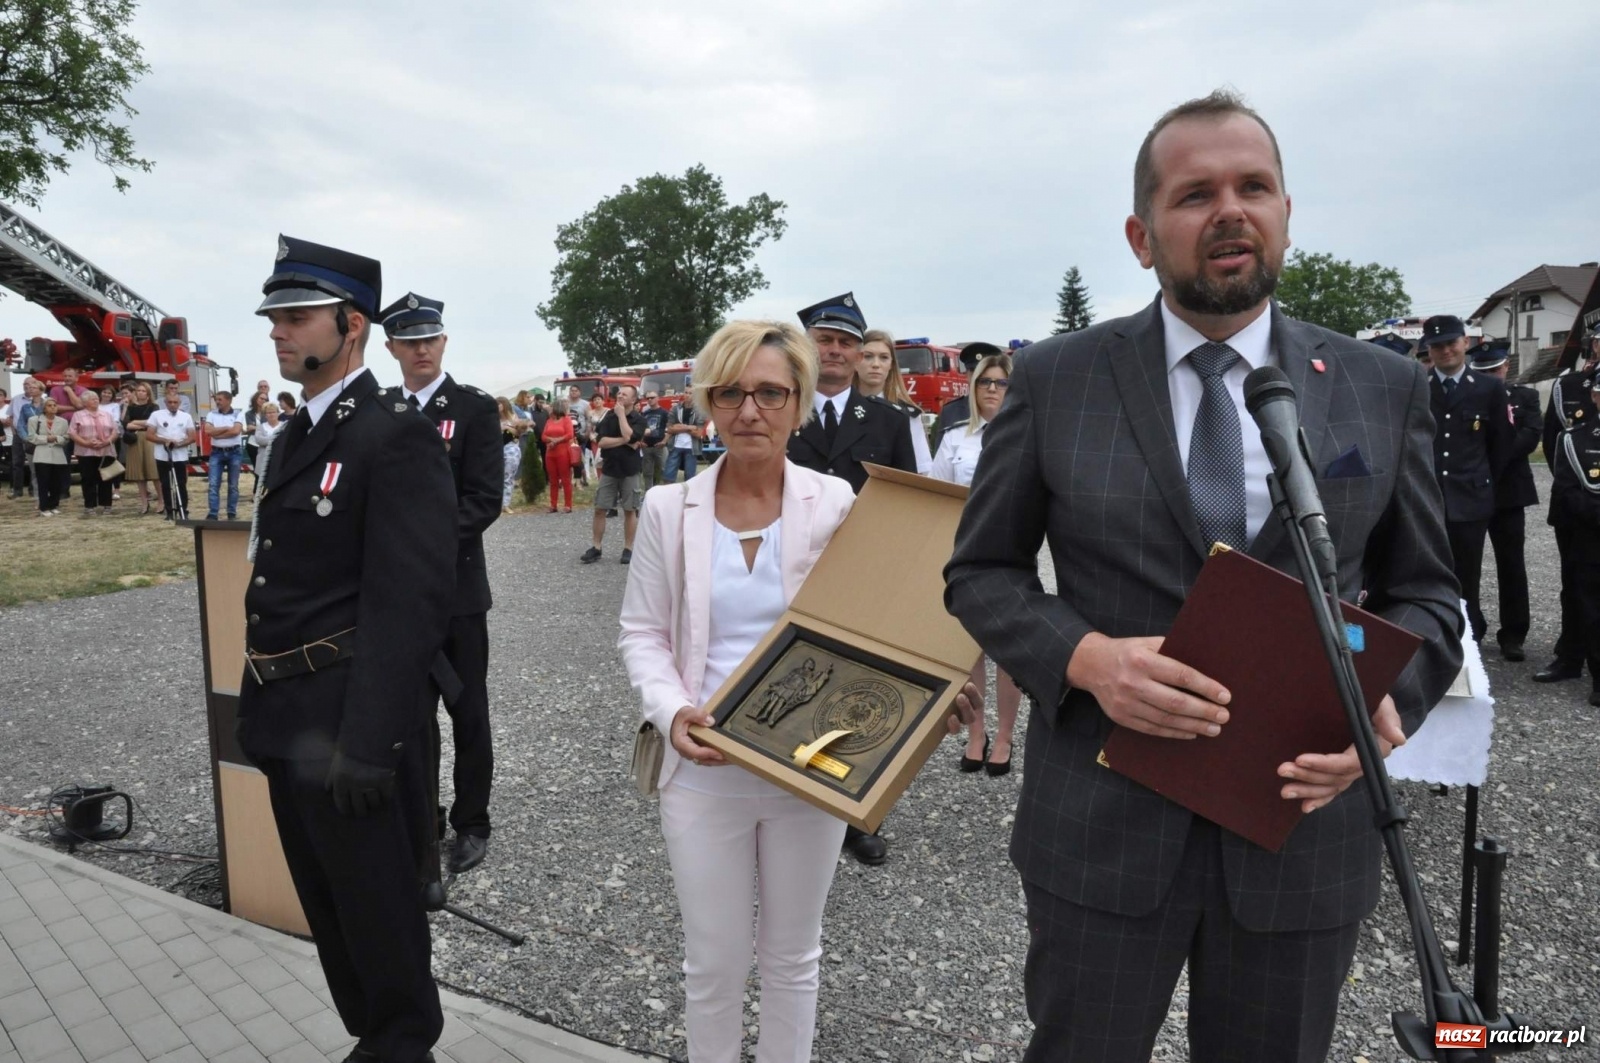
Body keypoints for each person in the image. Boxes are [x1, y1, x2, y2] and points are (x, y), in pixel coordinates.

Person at [944, 90, 1462, 1063]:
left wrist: (1384, 702)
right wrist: (1087, 659)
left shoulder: (1381, 386)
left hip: (1299, 830)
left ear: (1285, 214)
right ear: (1141, 237)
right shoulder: (1058, 379)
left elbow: (1428, 592)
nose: (1229, 210)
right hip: (1101, 829)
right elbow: (980, 572)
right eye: (1194, 195)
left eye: (1252, 187)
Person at [619, 319, 978, 1063]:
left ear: (800, 401)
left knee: (793, 957)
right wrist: (671, 709)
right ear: (709, 402)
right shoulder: (666, 508)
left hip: (810, 768)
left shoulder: (836, 502)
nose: (750, 410)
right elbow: (643, 632)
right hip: (704, 766)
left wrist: (928, 696)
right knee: (712, 963)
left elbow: (878, 627)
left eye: (770, 393)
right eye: (731, 393)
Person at [240, 234, 456, 1063]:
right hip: (288, 715)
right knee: (329, 905)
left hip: (346, 719)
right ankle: (376, 1038)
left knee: (377, 909)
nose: (278, 330)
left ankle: (401, 1044)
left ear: (351, 325)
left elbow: (410, 603)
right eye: (275, 317)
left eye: (297, 316)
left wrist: (371, 742)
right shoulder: (295, 435)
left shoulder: (392, 434)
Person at [786, 292, 918, 867]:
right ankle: (787, 794)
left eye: (846, 343)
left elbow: (907, 505)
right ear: (808, 347)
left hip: (863, 579)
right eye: (826, 340)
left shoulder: (889, 422)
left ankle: (856, 815)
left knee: (859, 695)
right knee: (791, 682)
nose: (836, 351)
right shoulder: (782, 410)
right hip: (789, 572)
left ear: (860, 353)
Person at [380, 290, 503, 874]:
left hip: (456, 590)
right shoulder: (380, 410)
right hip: (394, 596)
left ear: (444, 342)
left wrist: (413, 545)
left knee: (467, 710)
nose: (421, 349)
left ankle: (471, 822)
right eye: (409, 342)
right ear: (391, 348)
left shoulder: (473, 408)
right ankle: (421, 817)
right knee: (409, 715)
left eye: (429, 339)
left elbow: (483, 500)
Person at [930, 352, 1022, 776]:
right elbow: (937, 495)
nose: (991, 389)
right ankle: (977, 732)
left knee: (1008, 650)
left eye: (1001, 383)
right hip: (962, 551)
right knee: (969, 648)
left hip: (1010, 551)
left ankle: (1005, 736)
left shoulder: (1027, 435)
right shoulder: (955, 438)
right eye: (984, 381)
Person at [1422, 313, 1513, 643]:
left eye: (1451, 343)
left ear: (1465, 342)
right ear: (1428, 350)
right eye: (1437, 346)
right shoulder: (1419, 387)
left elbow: (1500, 445)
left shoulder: (1489, 388)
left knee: (1467, 576)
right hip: (1428, 499)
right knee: (1428, 573)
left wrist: (1480, 481)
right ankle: (1433, 636)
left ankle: (1468, 639)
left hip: (1470, 499)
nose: (1445, 351)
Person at [1536, 329, 1600, 685]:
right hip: (1579, 506)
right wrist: (1580, 493)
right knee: (1575, 585)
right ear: (1594, 344)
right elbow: (1553, 441)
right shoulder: (1572, 385)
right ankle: (1571, 657)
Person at [1470, 343, 1541, 662]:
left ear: (1506, 368)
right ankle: (1471, 628)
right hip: (1472, 490)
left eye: (1494, 370)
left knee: (1512, 566)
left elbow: (1530, 436)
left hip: (1510, 492)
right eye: (1483, 372)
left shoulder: (1525, 397)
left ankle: (1513, 634)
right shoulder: (1468, 396)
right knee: (1467, 566)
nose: (1490, 377)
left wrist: (1492, 454)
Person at [581, 384, 647, 565]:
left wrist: (621, 417)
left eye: (624, 394)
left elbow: (632, 436)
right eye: (619, 393)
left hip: (630, 470)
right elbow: (602, 441)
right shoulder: (608, 416)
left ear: (633, 399)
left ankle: (628, 548)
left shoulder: (639, 419)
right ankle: (596, 547)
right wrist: (625, 440)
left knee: (630, 510)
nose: (620, 396)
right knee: (600, 508)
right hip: (609, 469)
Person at [857, 328, 932, 474]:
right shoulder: (839, 407)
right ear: (856, 360)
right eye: (868, 356)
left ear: (891, 364)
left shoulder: (907, 415)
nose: (876, 364)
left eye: (884, 357)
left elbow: (922, 472)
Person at [148, 387, 196, 520]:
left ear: (179, 403)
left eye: (175, 402)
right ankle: (169, 511)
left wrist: (179, 444)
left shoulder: (186, 416)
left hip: (180, 455)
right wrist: (165, 441)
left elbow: (192, 437)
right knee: (165, 484)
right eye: (170, 402)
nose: (173, 405)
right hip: (162, 455)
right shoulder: (156, 415)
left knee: (181, 483)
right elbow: (149, 435)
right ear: (165, 402)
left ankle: (183, 510)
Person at [68, 390, 118, 517]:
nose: (96, 400)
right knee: (88, 479)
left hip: (106, 451)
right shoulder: (78, 415)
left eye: (96, 398)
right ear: (85, 402)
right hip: (86, 452)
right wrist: (86, 443)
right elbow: (72, 432)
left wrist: (106, 441)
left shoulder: (107, 414)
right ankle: (89, 506)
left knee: (106, 478)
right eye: (92, 399)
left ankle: (107, 505)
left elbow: (115, 431)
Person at [203, 389, 246, 520]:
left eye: (220, 399)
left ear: (229, 400)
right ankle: (213, 513)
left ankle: (231, 512)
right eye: (216, 399)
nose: (217, 402)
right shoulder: (211, 414)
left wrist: (217, 435)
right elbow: (207, 431)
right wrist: (226, 428)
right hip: (217, 452)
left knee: (233, 485)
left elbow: (236, 431)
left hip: (234, 452)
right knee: (213, 484)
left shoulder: (238, 413)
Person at [121, 382, 160, 515]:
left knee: (154, 471)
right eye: (138, 390)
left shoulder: (154, 406)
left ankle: (161, 500)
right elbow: (126, 424)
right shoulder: (131, 407)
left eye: (143, 391)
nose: (140, 393)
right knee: (139, 473)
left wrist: (135, 422)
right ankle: (144, 502)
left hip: (149, 438)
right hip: (135, 439)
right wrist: (141, 424)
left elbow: (153, 422)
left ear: (148, 393)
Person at [27, 398, 71, 515]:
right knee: (43, 482)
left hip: (58, 455)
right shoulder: (34, 420)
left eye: (54, 405)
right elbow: (31, 437)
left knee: (56, 482)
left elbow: (66, 437)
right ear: (44, 408)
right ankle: (44, 507)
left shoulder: (63, 421)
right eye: (49, 405)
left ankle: (54, 505)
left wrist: (56, 438)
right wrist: (46, 438)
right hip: (41, 455)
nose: (52, 407)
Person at [8, 378, 41, 499]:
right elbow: (11, 416)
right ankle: (17, 491)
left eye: (30, 384)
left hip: (34, 436)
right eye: (25, 384)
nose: (27, 386)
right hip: (18, 435)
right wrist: (14, 431)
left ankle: (33, 490)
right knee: (17, 463)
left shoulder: (42, 401)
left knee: (35, 464)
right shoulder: (16, 399)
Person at [543, 398, 577, 512]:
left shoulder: (566, 420)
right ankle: (553, 505)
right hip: (550, 453)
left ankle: (568, 505)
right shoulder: (549, 421)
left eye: (552, 407)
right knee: (553, 480)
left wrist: (556, 440)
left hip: (563, 453)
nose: (550, 408)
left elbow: (569, 435)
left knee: (565, 479)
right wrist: (551, 440)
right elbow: (543, 436)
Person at [663, 394, 704, 482]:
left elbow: (699, 433)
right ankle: (669, 490)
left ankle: (689, 491)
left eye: (690, 393)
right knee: (668, 475)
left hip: (692, 447)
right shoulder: (675, 408)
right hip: (675, 445)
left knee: (690, 477)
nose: (687, 395)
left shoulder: (699, 410)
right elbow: (670, 428)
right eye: (686, 392)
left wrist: (679, 427)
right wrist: (689, 427)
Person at [638, 391, 670, 489]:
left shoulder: (664, 413)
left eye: (652, 397)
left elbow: (670, 429)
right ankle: (648, 492)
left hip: (660, 446)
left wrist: (664, 441)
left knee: (662, 470)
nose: (650, 400)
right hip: (647, 446)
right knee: (647, 472)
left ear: (658, 398)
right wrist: (641, 441)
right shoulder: (644, 413)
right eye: (648, 398)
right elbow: (640, 429)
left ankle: (660, 491)